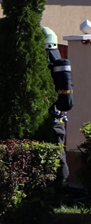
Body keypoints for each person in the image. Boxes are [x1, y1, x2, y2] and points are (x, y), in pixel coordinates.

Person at [42, 26, 73, 183]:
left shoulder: (47, 65)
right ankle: (58, 188)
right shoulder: (55, 60)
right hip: (57, 120)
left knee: (56, 156)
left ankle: (60, 189)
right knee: (57, 154)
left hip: (51, 120)